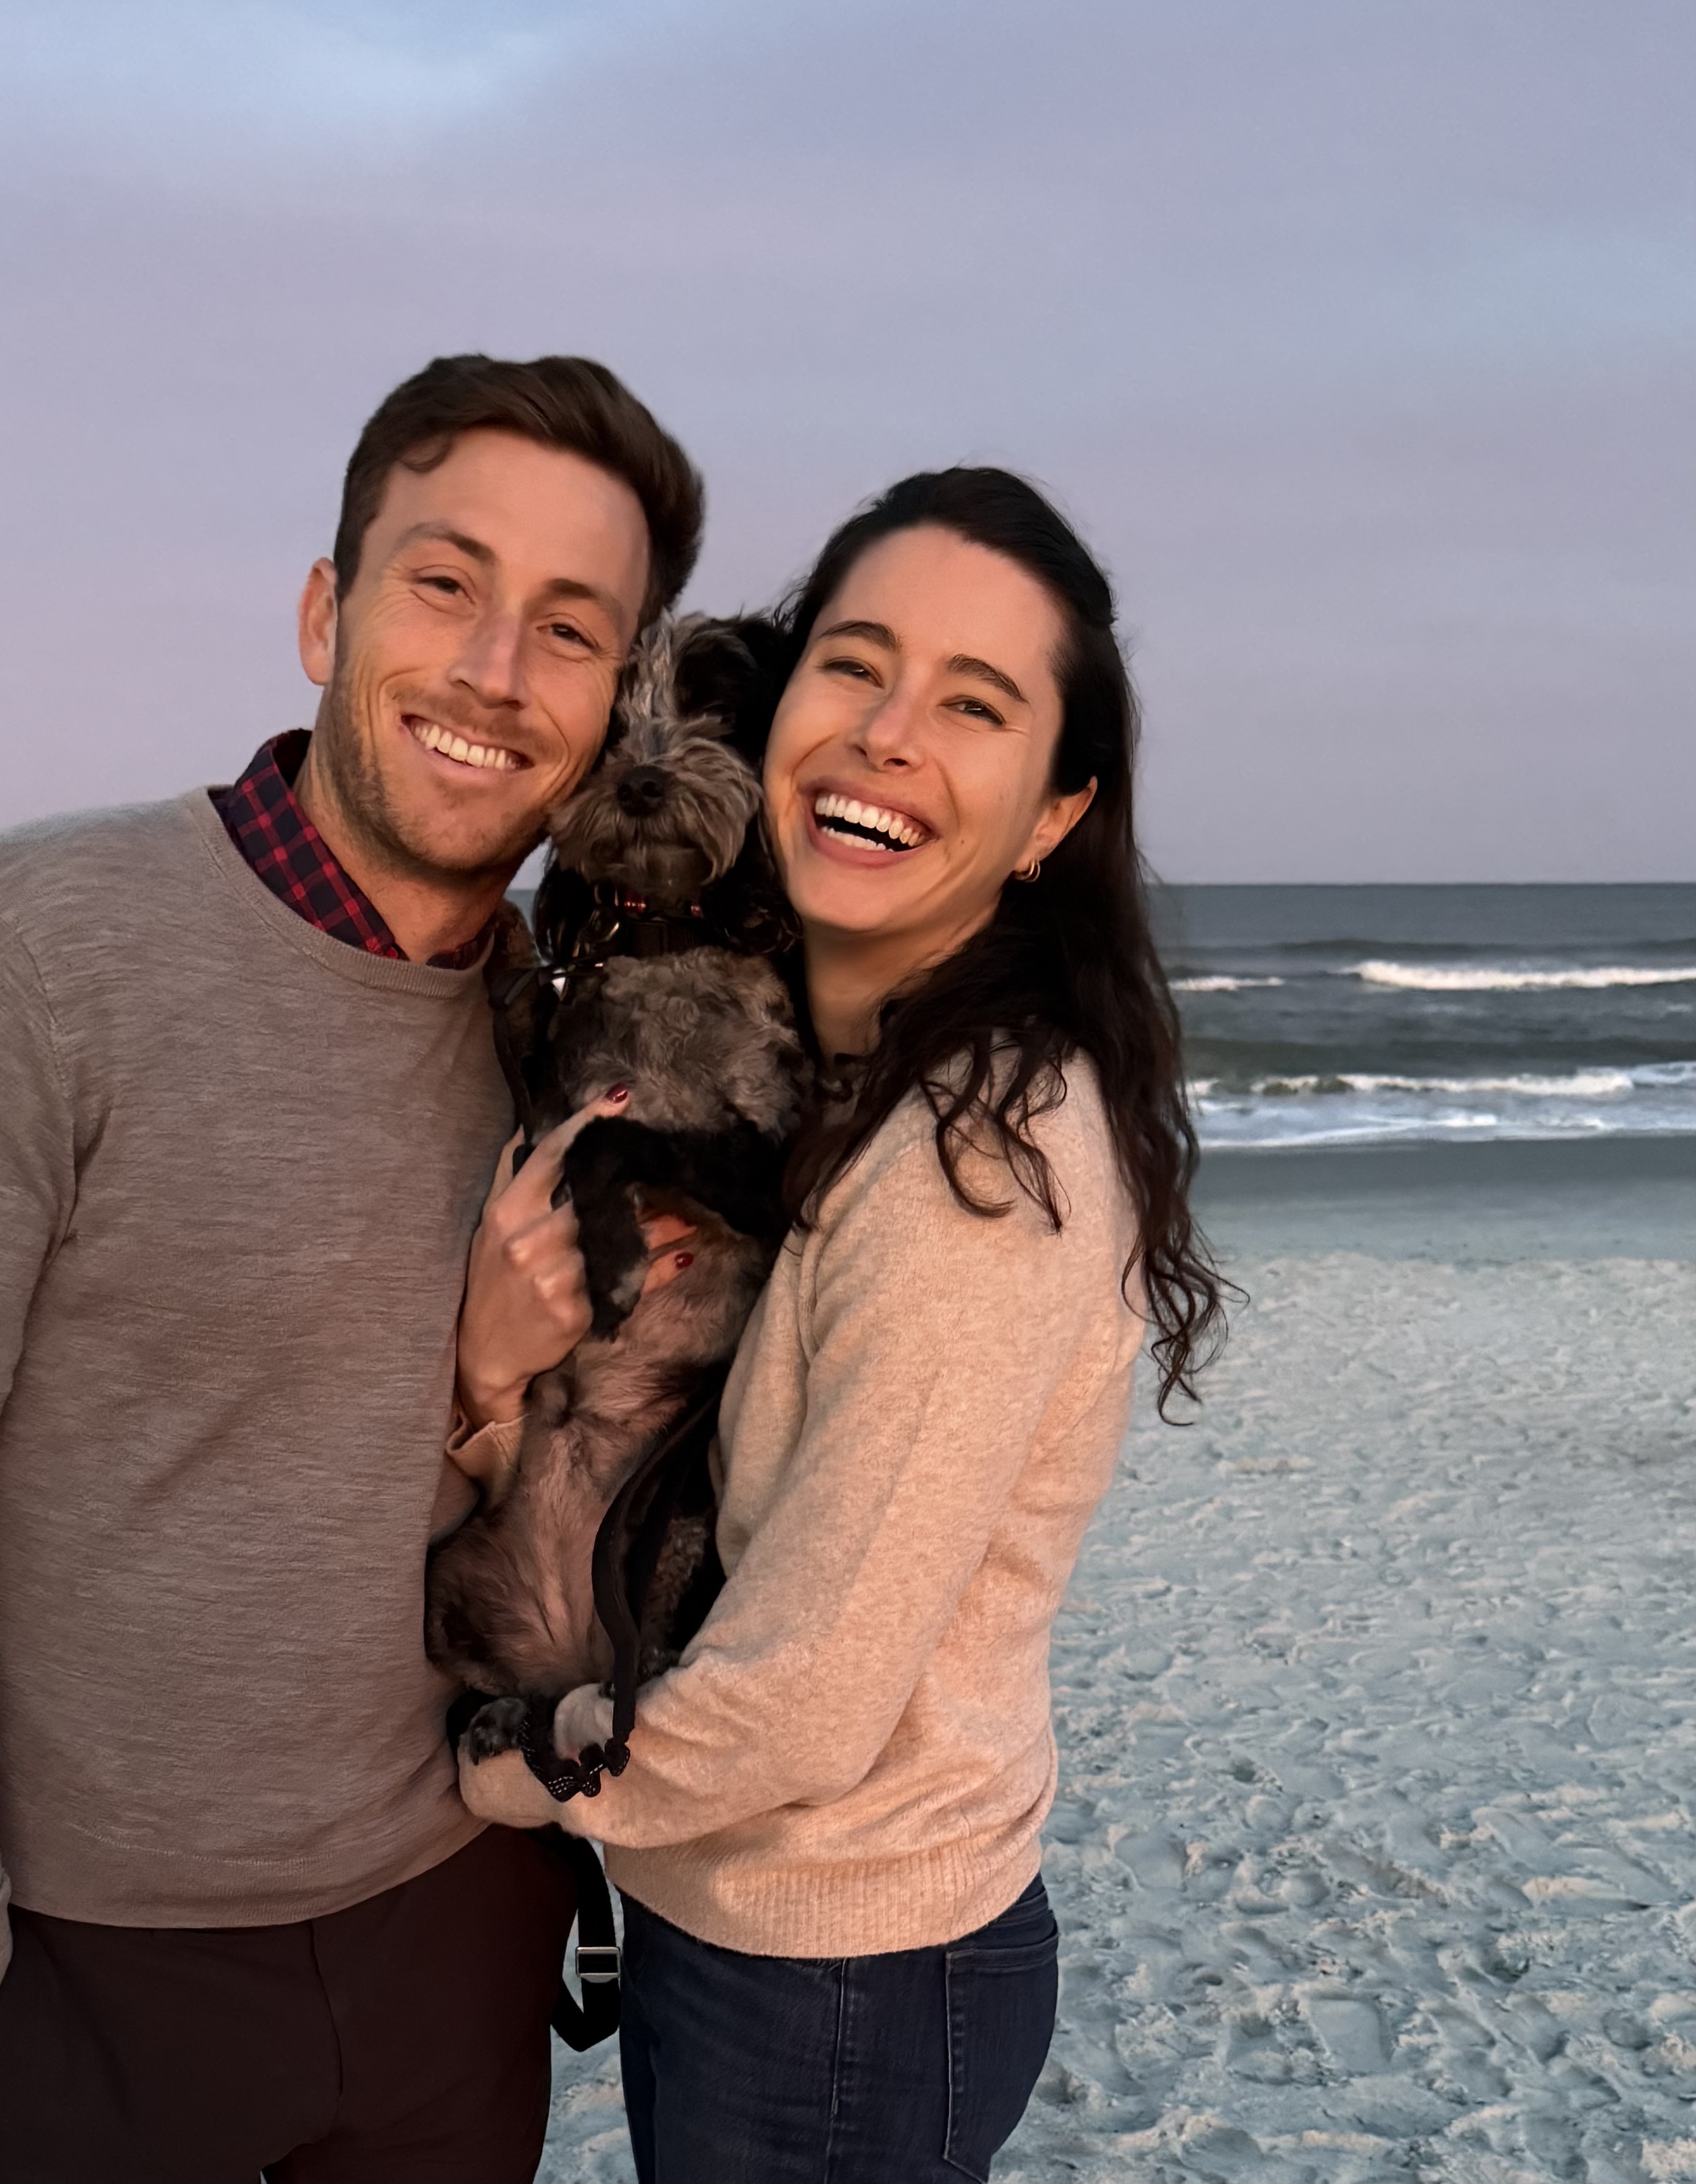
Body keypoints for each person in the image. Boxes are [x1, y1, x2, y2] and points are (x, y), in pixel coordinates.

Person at [0, 352, 702, 2183]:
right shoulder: (20, 949)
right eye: (445, 584)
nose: (497, 672)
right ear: (323, 613)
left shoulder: (552, 1036)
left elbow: (457, 1463)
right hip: (95, 1972)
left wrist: (479, 1390)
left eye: (570, 629)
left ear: (617, 698)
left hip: (458, 1922)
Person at [458, 467, 1227, 2183]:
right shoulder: (853, 1084)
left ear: (1047, 815)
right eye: (853, 667)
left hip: (835, 1959)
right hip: (761, 1921)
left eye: (972, 704)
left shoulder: (977, 1164)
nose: (886, 734)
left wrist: (488, 1779)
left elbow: (795, 1705)